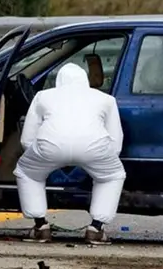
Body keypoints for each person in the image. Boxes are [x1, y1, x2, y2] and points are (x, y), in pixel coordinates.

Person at [14, 62, 126, 245]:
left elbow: (27, 138)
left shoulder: (42, 96)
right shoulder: (106, 99)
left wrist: (40, 156)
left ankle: (40, 227)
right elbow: (116, 138)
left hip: (49, 145)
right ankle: (96, 229)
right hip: (95, 147)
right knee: (112, 176)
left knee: (28, 173)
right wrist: (105, 159)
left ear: (58, 80)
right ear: (85, 80)